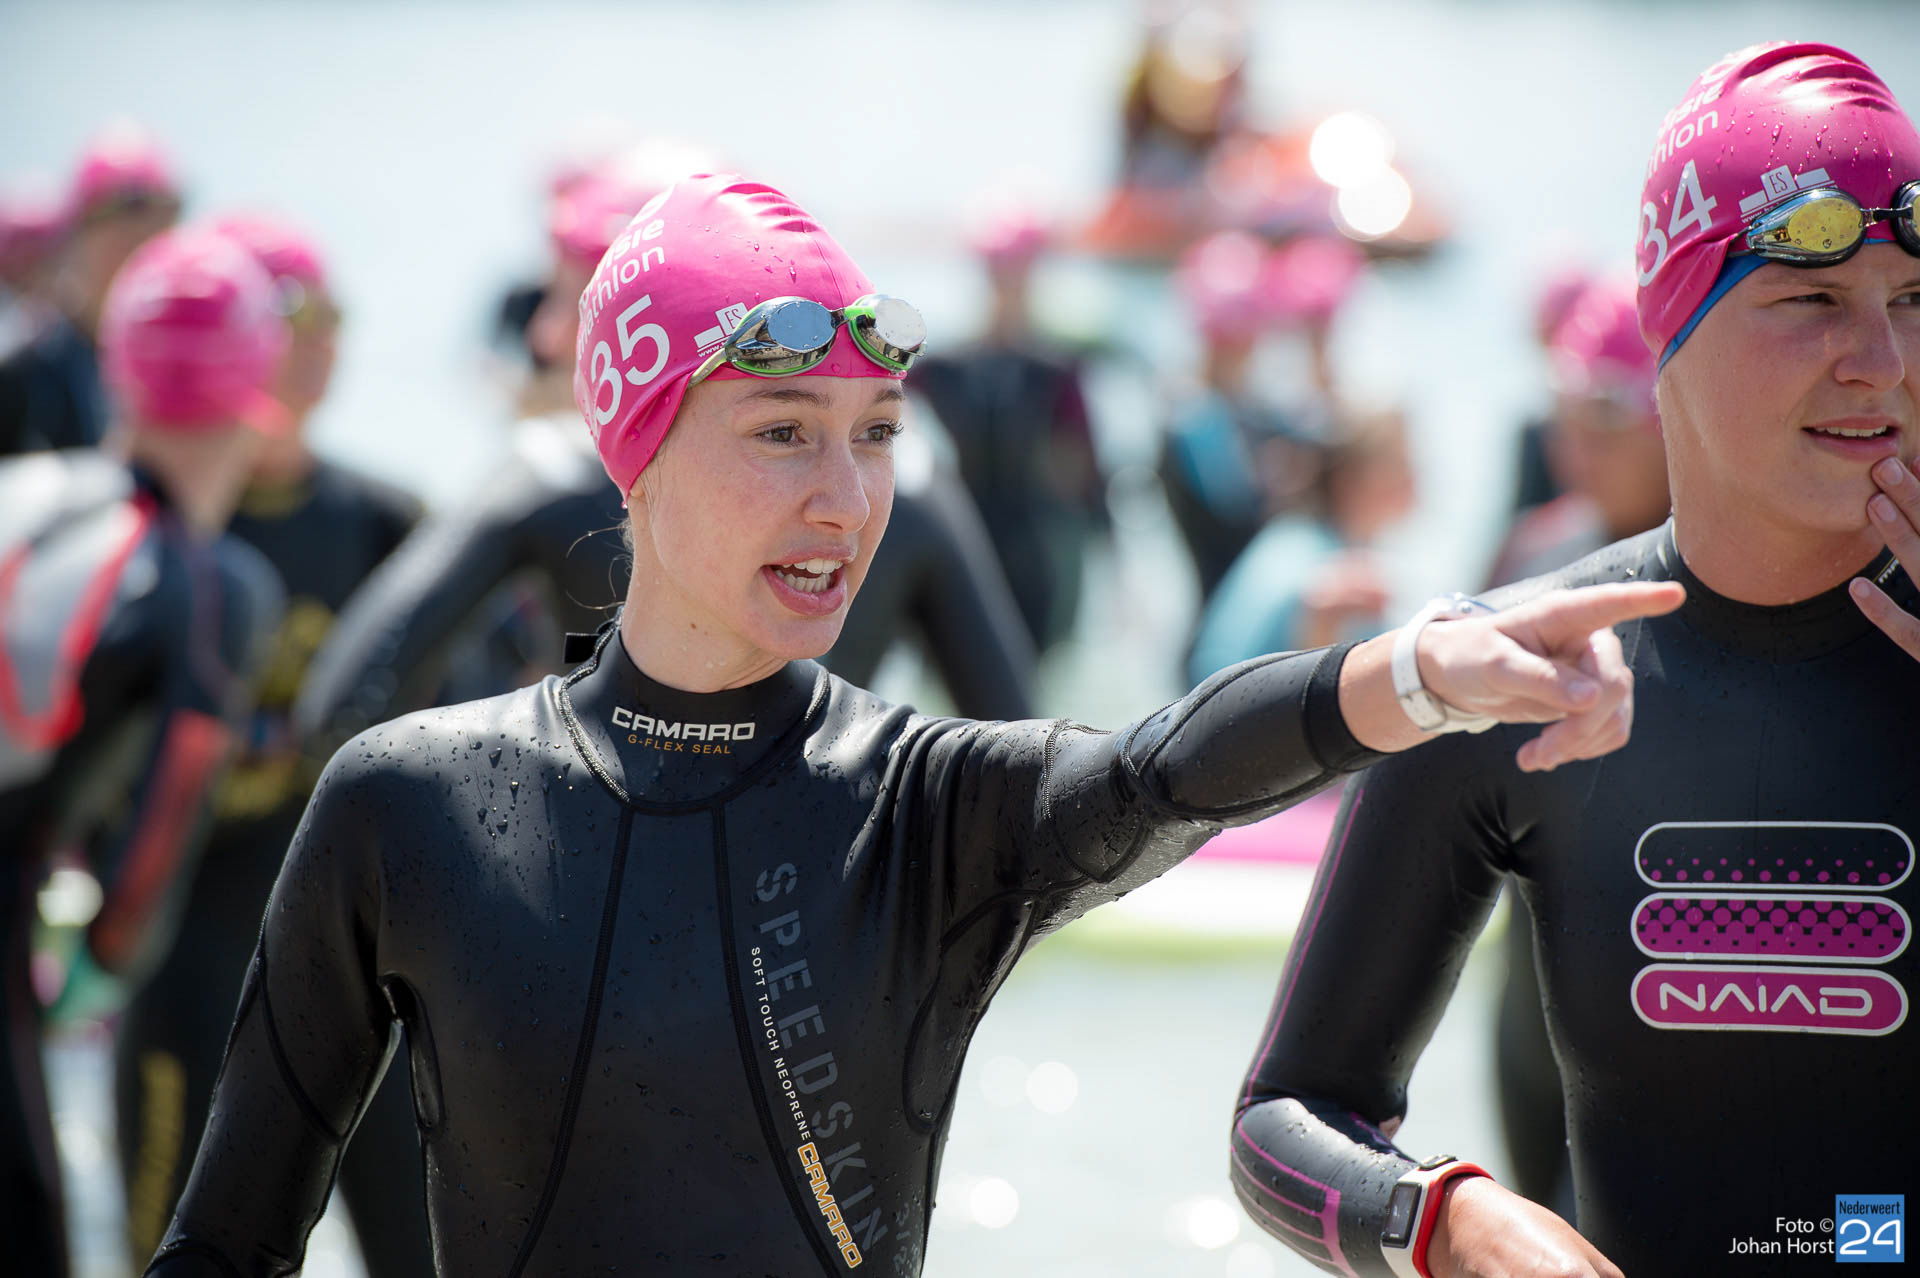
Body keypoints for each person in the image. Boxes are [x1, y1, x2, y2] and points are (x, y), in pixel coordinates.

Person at [146, 171, 1679, 1278]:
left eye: (875, 433)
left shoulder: (928, 807)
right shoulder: (408, 805)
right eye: (783, 432)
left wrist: (1417, 669)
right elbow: (223, 1244)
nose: (847, 497)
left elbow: (1159, 767)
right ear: (636, 452)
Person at [1231, 42, 1920, 1278]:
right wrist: (1447, 1222)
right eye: (1814, 301)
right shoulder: (1517, 665)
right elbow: (1284, 1118)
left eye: (1913, 297)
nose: (1884, 358)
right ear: (1673, 320)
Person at [297, 164, 1034, 754]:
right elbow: (1017, 761)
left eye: (570, 300)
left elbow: (344, 715)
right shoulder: (920, 487)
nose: (547, 336)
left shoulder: (546, 476)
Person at [107, 215, 433, 1275]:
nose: (318, 344)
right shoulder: (161, 531)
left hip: (370, 968)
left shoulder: (391, 521)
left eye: (333, 318)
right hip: (191, 958)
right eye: (293, 319)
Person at [0, 227, 284, 1278]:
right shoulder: (211, 586)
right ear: (258, 396)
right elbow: (152, 856)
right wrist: (94, 969)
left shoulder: (24, 488)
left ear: (118, 369)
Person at [1480, 277, 1671, 1220]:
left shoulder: (1770, 573)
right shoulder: (1533, 558)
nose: (1569, 446)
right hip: (1534, 987)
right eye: (1562, 414)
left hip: (1675, 1009)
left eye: (1602, 418)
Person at [909, 202, 1105, 652]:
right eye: (1002, 272)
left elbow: (1085, 478)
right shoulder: (943, 368)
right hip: (964, 545)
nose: (1009, 283)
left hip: (1032, 551)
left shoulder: (1056, 372)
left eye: (1016, 272)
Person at [1158, 230, 1350, 601]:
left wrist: (1319, 349)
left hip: (1249, 590)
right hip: (1221, 593)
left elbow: (1331, 434)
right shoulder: (1193, 417)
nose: (1249, 343)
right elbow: (1239, 507)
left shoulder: (1251, 409)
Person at [1187, 407, 1415, 683]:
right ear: (1349, 477)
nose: (1412, 480)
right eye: (1398, 465)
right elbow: (1220, 672)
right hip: (1240, 702)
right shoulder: (1324, 566)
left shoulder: (1299, 536)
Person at [0, 123, 182, 457]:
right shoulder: (23, 368)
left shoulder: (181, 361)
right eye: (127, 241)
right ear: (78, 237)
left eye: (157, 237)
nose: (145, 263)